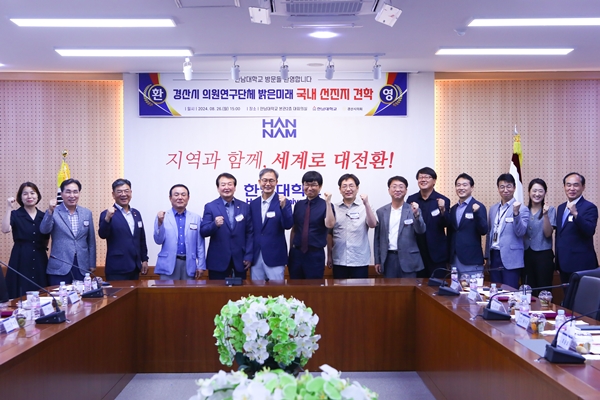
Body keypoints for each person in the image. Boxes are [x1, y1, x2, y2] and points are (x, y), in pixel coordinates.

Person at [40, 179, 96, 285]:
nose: (72, 195)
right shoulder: (54, 212)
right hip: (60, 265)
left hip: (82, 265)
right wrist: (50, 211)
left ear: (79, 193)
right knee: (59, 295)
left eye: (75, 192)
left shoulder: (86, 213)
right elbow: (44, 230)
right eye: (68, 192)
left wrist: (92, 263)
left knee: (82, 295)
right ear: (62, 194)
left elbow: (91, 240)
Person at [1, 182, 50, 298]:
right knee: (19, 292)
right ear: (20, 197)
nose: (29, 196)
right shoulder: (15, 214)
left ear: (37, 196)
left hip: (40, 257)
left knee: (41, 291)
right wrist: (9, 207)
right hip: (20, 257)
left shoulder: (43, 216)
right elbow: (5, 229)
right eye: (25, 194)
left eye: (32, 193)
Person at [201, 173, 253, 280]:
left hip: (240, 260)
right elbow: (203, 231)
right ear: (218, 188)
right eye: (223, 184)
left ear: (234, 187)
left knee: (241, 290)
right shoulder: (210, 207)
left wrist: (248, 255)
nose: (226, 187)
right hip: (218, 260)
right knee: (216, 290)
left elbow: (250, 233)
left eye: (230, 184)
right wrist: (214, 224)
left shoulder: (245, 207)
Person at [326, 173, 377, 279]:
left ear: (357, 188)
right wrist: (329, 256)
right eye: (344, 186)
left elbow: (373, 224)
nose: (348, 189)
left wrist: (366, 204)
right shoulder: (334, 207)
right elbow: (329, 234)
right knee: (338, 289)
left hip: (359, 259)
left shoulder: (364, 207)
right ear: (340, 189)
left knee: (359, 289)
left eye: (351, 186)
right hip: (339, 259)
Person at [374, 176, 425, 278]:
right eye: (394, 187)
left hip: (409, 259)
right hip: (388, 258)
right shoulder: (381, 212)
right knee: (390, 288)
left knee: (409, 287)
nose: (397, 189)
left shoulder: (413, 210)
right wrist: (377, 260)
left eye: (401, 187)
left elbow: (421, 231)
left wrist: (416, 215)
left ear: (406, 190)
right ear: (389, 190)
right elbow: (377, 238)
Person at [98, 179, 149, 281]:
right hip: (117, 268)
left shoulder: (136, 213)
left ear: (131, 193)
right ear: (113, 195)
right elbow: (102, 234)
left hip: (135, 267)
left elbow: (141, 239)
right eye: (119, 191)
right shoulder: (106, 214)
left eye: (126, 191)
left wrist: (144, 259)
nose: (124, 194)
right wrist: (107, 218)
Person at [485, 173, 530, 289]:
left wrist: (516, 213)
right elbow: (490, 233)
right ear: (498, 189)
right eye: (502, 187)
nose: (505, 190)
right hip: (494, 255)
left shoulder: (523, 209)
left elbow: (521, 232)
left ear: (514, 188)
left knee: (510, 292)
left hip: (511, 258)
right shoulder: (493, 209)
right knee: (495, 291)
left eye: (509, 186)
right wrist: (487, 257)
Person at [288, 171, 335, 279]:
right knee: (294, 285)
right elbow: (294, 229)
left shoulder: (325, 205)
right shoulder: (298, 205)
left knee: (314, 286)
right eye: (306, 184)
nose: (309, 188)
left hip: (315, 255)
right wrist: (291, 251)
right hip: (296, 254)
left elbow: (330, 224)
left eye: (313, 185)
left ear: (320, 186)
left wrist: (328, 203)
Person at [154, 184, 205, 280]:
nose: (180, 197)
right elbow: (158, 240)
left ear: (188, 198)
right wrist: (160, 223)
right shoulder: (162, 216)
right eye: (176, 194)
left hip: (189, 264)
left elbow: (200, 244)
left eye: (183, 194)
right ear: (170, 198)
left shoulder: (196, 218)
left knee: (189, 290)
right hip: (168, 264)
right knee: (167, 290)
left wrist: (201, 265)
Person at [406, 167, 450, 279]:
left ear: (434, 181)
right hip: (417, 251)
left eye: (427, 177)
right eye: (420, 177)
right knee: (417, 285)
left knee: (437, 285)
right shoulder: (411, 199)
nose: (423, 180)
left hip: (437, 253)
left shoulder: (442, 200)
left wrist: (443, 210)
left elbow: (446, 224)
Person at [249, 168, 293, 281]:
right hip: (256, 256)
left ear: (276, 182)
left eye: (271, 180)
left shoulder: (283, 202)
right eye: (264, 180)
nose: (268, 184)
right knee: (256, 291)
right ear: (259, 182)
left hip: (275, 256)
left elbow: (288, 225)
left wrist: (283, 207)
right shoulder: (253, 204)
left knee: (277, 290)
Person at [556, 172, 598, 283]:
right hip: (563, 264)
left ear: (583, 187)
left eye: (576, 185)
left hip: (581, 265)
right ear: (564, 187)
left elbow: (589, 230)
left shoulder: (589, 207)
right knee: (567, 294)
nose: (572, 188)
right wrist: (557, 262)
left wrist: (576, 214)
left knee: (582, 294)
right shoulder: (561, 208)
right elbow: (560, 235)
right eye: (568, 185)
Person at [447, 173, 488, 276]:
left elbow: (483, 230)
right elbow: (451, 234)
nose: (461, 188)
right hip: (454, 259)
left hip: (471, 259)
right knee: (455, 286)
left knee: (472, 286)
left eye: (465, 185)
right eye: (458, 185)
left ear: (472, 187)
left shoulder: (478, 207)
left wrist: (476, 213)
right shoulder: (453, 209)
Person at [522, 178, 556, 295]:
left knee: (544, 290)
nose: (537, 194)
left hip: (543, 255)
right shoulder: (523, 210)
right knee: (528, 290)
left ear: (545, 193)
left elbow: (548, 233)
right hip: (526, 254)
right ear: (529, 192)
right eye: (534, 191)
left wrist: (545, 215)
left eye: (540, 191)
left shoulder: (550, 210)